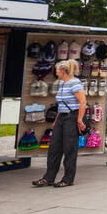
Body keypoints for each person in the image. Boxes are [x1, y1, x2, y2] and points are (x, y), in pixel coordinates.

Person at [33, 59, 86, 188]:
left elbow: (82, 102)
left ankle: (68, 178)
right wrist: (56, 122)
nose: (55, 73)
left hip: (71, 117)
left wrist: (79, 120)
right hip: (61, 117)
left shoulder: (75, 83)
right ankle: (48, 178)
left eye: (56, 70)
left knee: (69, 149)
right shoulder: (62, 83)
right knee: (54, 149)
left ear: (62, 71)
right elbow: (61, 104)